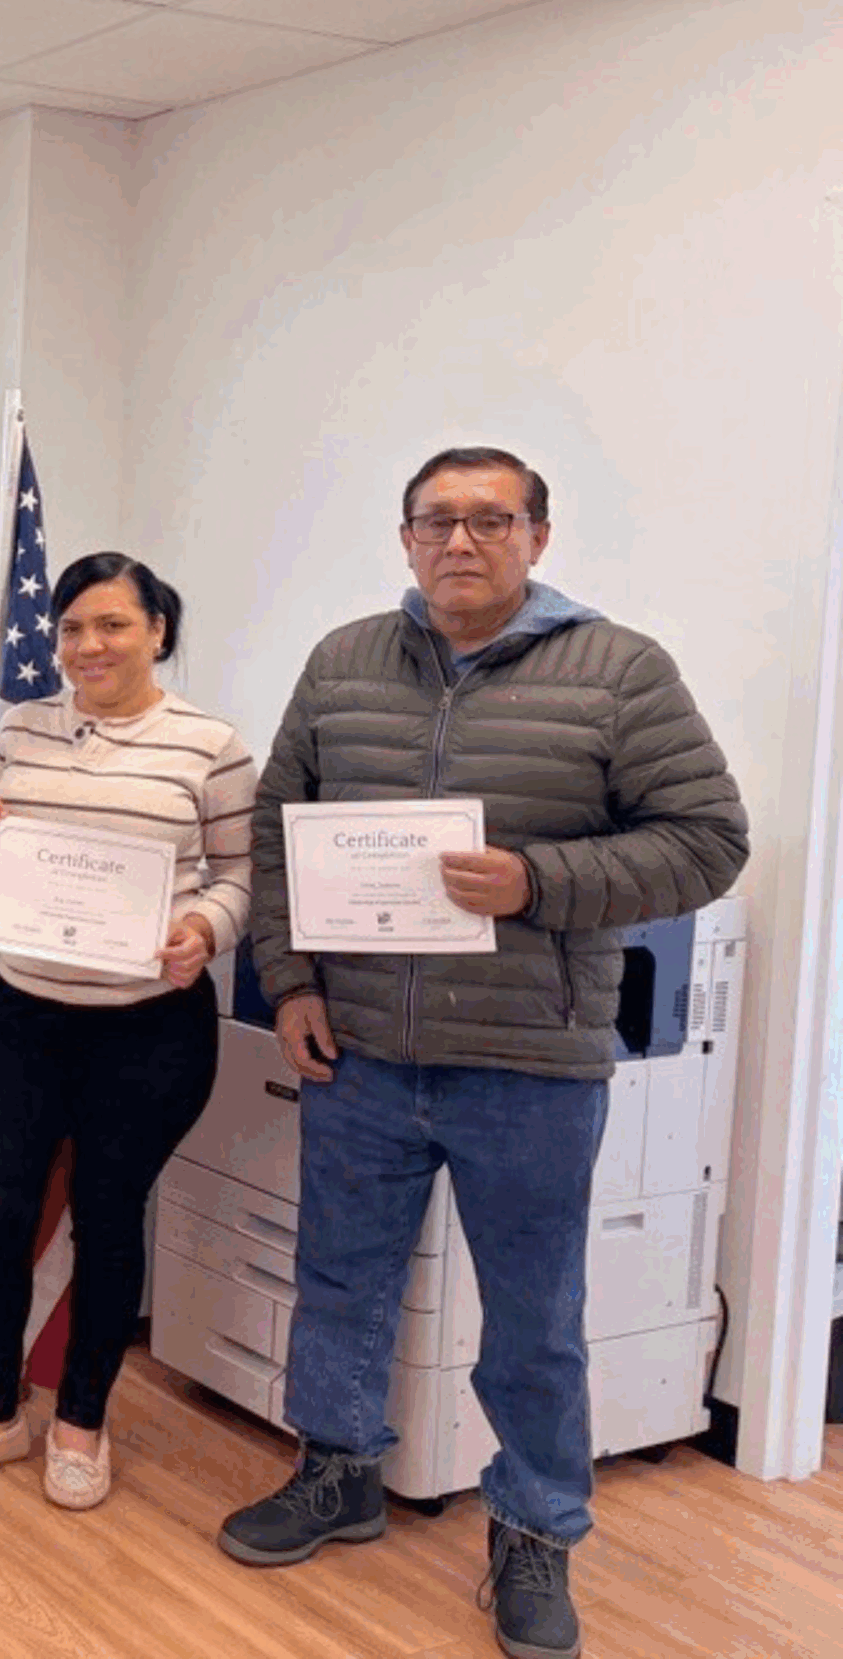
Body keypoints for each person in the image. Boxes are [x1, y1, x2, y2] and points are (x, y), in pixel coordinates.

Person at [216, 447, 747, 1659]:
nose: (460, 540)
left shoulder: (619, 672)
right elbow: (277, 830)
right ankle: (338, 1471)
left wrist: (536, 880)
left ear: (537, 538)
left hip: (529, 1061)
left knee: (532, 1318)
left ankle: (535, 1529)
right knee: (341, 1284)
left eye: (489, 519)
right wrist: (290, 982)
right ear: (404, 539)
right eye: (435, 520)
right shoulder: (344, 661)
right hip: (360, 1053)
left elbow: (710, 841)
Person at [0, 553, 255, 1508]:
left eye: (112, 626)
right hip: (23, 1015)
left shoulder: (210, 744)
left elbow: (241, 874)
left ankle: (81, 1425)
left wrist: (204, 930)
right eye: (70, 630)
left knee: (105, 1222)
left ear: (158, 633)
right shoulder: (23, 728)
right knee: (1, 1214)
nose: (87, 647)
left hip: (147, 1028)